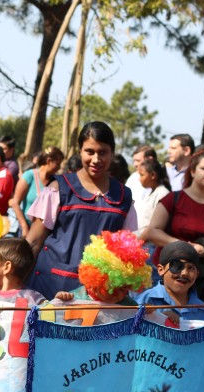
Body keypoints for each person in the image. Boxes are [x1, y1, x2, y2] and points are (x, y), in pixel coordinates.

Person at [26, 122, 137, 299]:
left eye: (103, 152)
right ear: (80, 151)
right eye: (90, 151)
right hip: (50, 288)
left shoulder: (124, 197)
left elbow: (127, 252)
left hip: (100, 294)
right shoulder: (58, 188)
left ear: (112, 153)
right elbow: (33, 242)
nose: (96, 159)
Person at [142, 150, 204, 300]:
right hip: (164, 275)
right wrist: (184, 246)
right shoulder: (174, 198)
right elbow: (153, 231)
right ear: (192, 171)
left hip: (201, 282)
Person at [51, 231, 153, 325]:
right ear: (95, 281)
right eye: (111, 287)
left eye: (124, 289)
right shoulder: (76, 298)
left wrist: (145, 312)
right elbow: (56, 318)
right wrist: (61, 300)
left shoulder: (127, 305)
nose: (118, 294)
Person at [133, 242, 204, 328]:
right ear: (161, 270)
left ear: (197, 274)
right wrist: (159, 319)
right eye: (177, 265)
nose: (184, 273)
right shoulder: (144, 300)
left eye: (191, 268)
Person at [11, 146, 64, 237]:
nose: (59, 168)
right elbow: (15, 203)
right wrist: (24, 227)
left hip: (45, 233)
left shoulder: (55, 182)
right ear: (48, 161)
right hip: (27, 229)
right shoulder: (29, 176)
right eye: (57, 164)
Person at [133, 157, 170, 238]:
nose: (139, 179)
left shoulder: (162, 194)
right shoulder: (149, 193)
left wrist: (141, 240)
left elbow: (154, 225)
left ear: (153, 175)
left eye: (142, 175)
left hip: (150, 243)